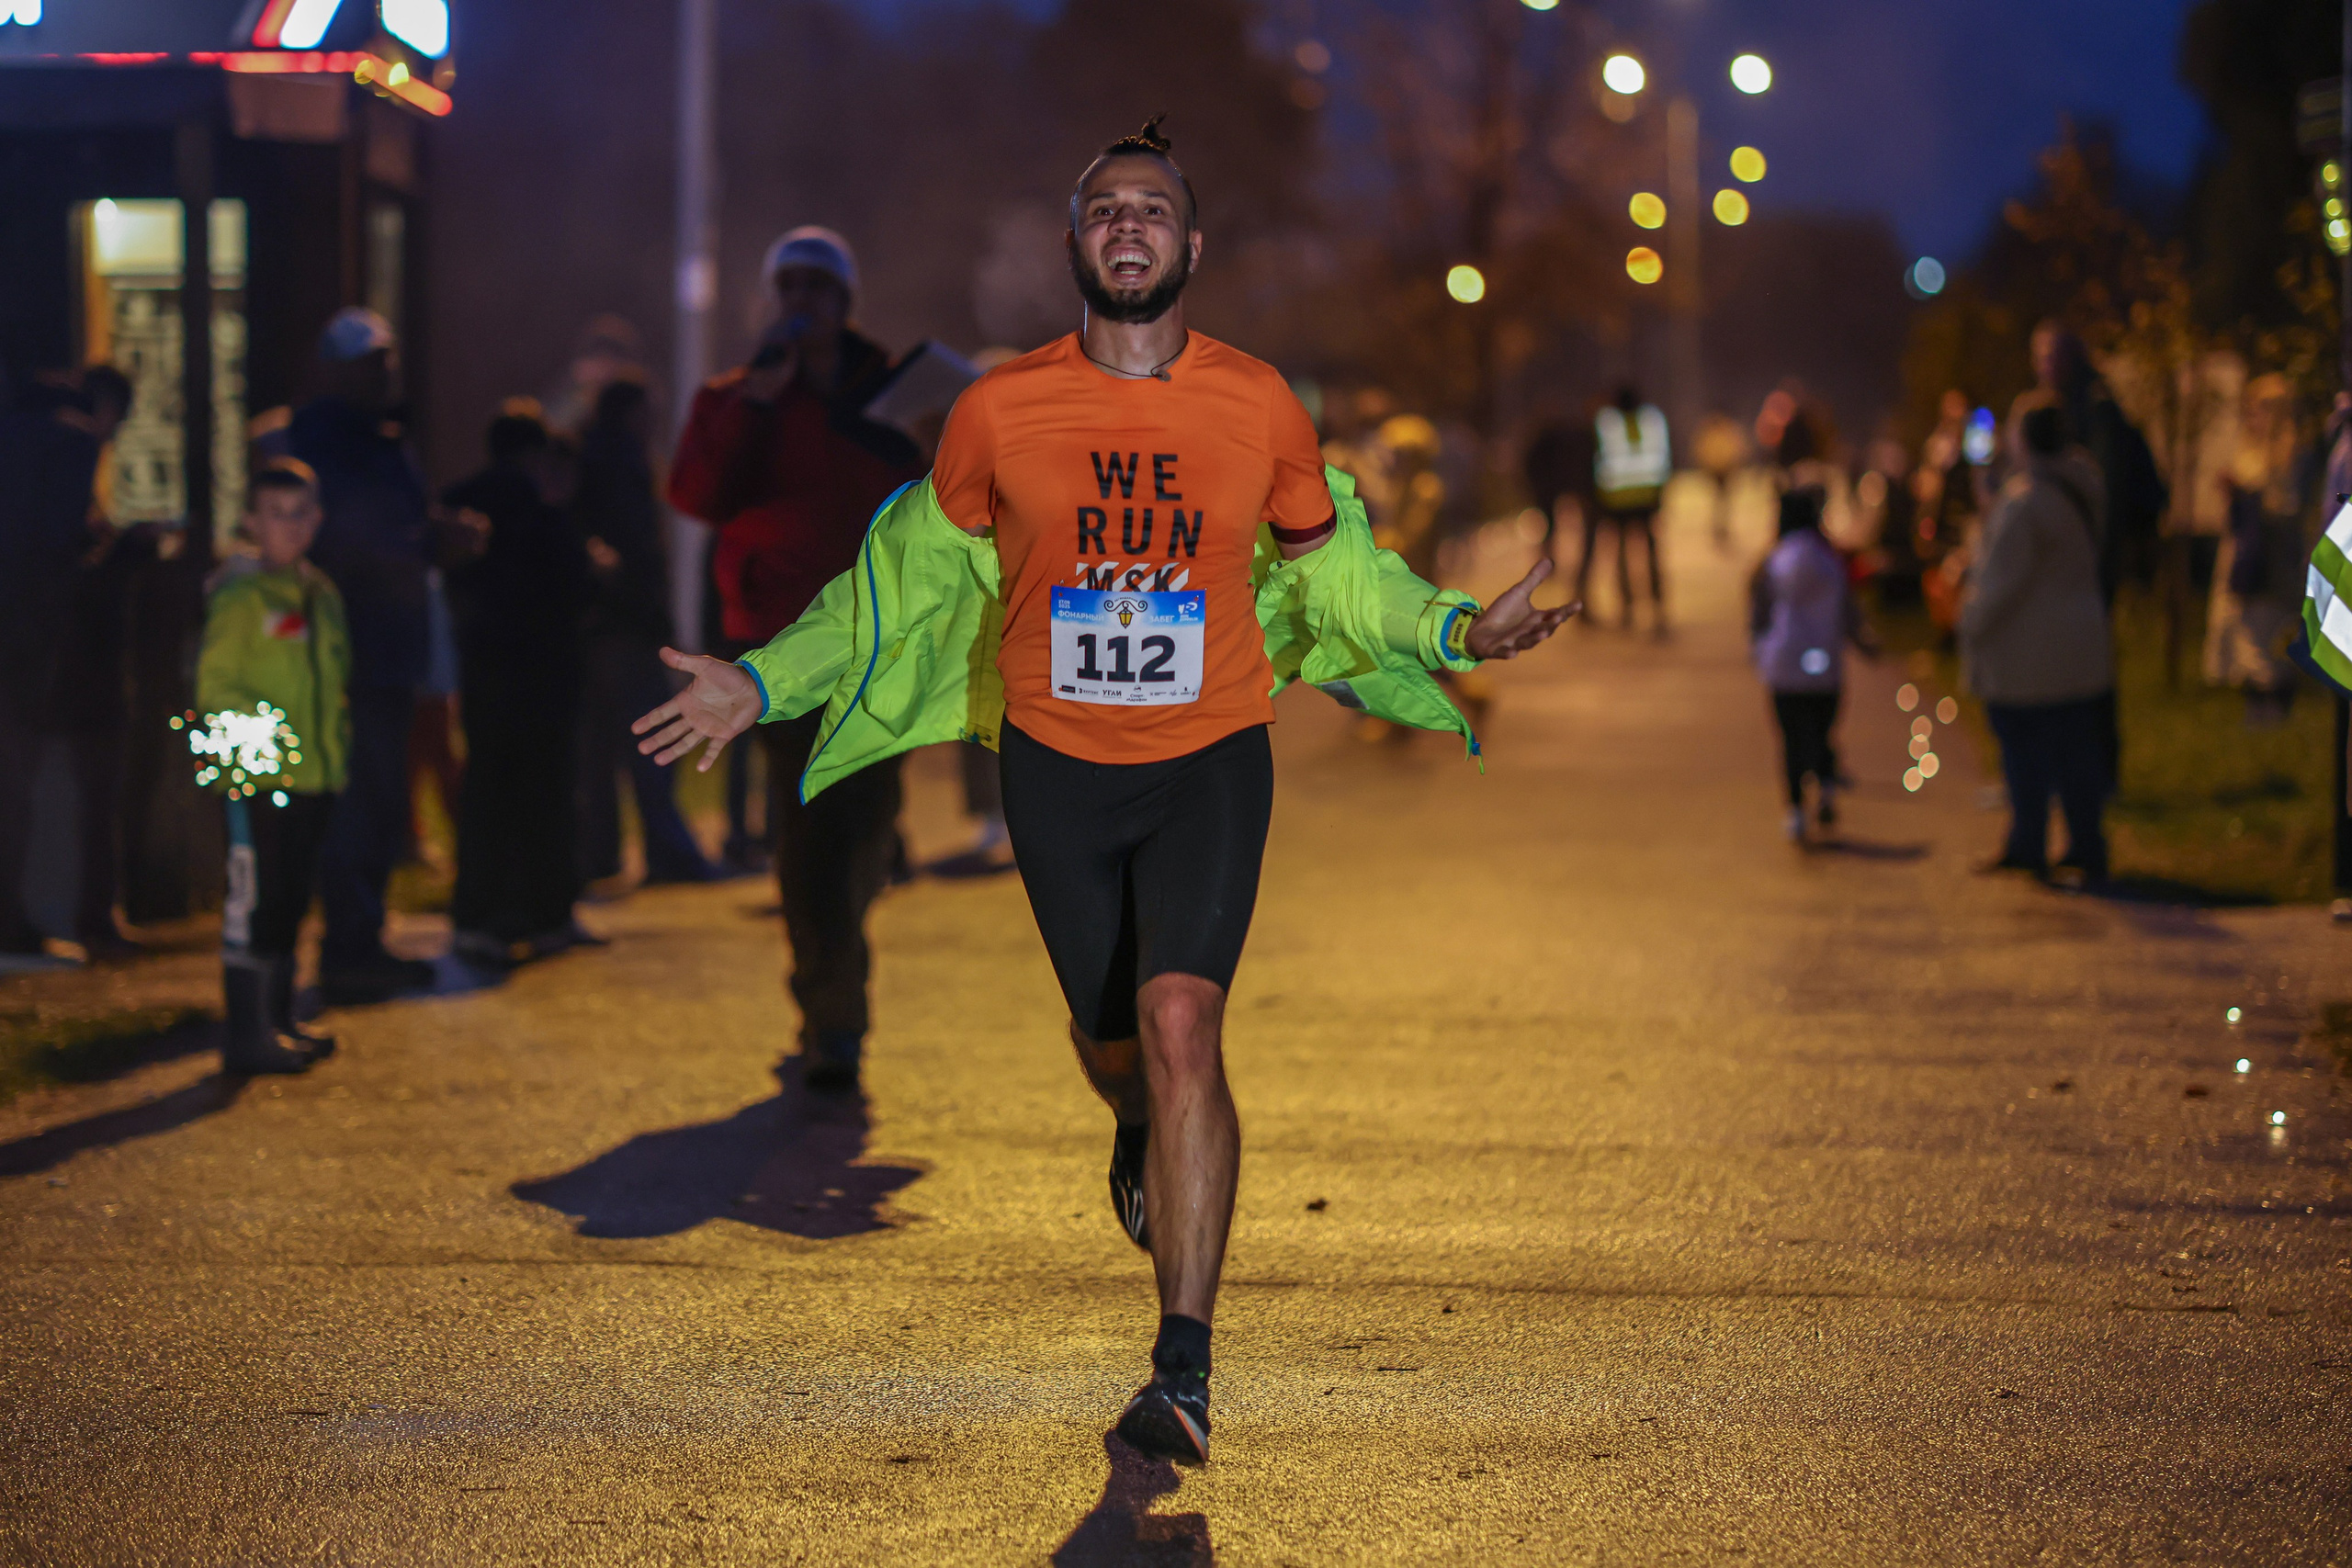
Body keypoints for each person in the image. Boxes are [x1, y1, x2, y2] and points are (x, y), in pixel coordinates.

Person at [632, 118, 1570, 1464]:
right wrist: (761, 681)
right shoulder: (999, 411)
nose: (1129, 222)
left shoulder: (1258, 402)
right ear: (1080, 244)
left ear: (1191, 246)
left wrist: (1453, 632)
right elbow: (898, 583)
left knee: (1185, 1019)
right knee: (1112, 1041)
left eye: (1154, 206)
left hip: (1209, 763)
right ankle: (1134, 1122)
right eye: (1105, 206)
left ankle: (1182, 1365)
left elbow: (1336, 571)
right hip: (1059, 772)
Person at [667, 226, 923, 1089]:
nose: (802, 303)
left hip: (878, 644)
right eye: (790, 288)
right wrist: (758, 404)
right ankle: (832, 1018)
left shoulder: (886, 393)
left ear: (845, 302)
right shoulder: (738, 397)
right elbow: (697, 494)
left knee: (865, 826)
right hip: (776, 649)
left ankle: (839, 955)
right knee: (812, 835)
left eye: (819, 288)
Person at [277, 309, 441, 1005]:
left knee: (376, 797)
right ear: (337, 372)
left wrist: (430, 538)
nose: (383, 373)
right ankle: (348, 944)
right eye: (369, 363)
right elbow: (346, 537)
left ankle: (361, 937)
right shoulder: (326, 443)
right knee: (355, 798)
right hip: (353, 649)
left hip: (386, 646)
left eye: (385, 359)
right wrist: (418, 545)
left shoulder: (383, 437)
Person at [192, 458, 349, 1073]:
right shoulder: (239, 595)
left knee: (289, 900)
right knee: (253, 902)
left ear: (317, 518)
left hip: (315, 777)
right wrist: (266, 742)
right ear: (253, 521)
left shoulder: (322, 595)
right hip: (259, 781)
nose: (290, 526)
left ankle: (278, 1016)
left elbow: (334, 684)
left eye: (301, 512)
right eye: (276, 514)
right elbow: (216, 685)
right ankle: (247, 1031)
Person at [0, 365, 144, 961]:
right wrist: (120, 550)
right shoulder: (66, 444)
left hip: (29, 638)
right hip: (42, 642)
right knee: (36, 780)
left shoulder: (19, 438)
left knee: (19, 782)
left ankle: (25, 916)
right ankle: (63, 918)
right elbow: (59, 552)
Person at [442, 406, 595, 964]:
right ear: (534, 454)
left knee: (487, 792)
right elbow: (575, 587)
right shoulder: (542, 513)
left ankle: (482, 915)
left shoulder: (461, 503)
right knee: (546, 795)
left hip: (484, 669)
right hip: (544, 674)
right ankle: (548, 912)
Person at [574, 377, 722, 886]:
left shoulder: (591, 461)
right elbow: (637, 556)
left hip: (601, 629)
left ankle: (600, 854)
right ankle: (667, 850)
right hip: (629, 628)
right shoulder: (623, 466)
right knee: (654, 738)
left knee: (602, 750)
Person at [1962, 396, 2112, 886]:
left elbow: (2001, 581)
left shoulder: (2025, 501)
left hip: (2030, 651)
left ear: (2021, 439)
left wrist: (1970, 622)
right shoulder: (2084, 487)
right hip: (2081, 640)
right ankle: (2086, 847)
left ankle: (2029, 844)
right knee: (2074, 751)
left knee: (2023, 751)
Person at [1750, 488, 1872, 841]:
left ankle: (1795, 810)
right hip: (1826, 666)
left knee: (1790, 740)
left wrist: (1758, 648)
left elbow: (1759, 613)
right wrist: (1866, 644)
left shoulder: (1772, 562)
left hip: (1784, 666)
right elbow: (1849, 613)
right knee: (1822, 732)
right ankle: (1827, 786)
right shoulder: (1831, 561)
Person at [1589, 384, 1669, 633]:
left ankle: (1626, 608)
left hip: (1616, 501)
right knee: (1651, 555)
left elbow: (1597, 462)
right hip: (1647, 498)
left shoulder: (1606, 422)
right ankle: (1658, 608)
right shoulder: (1652, 419)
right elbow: (1664, 456)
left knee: (1622, 555)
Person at [1521, 412, 1597, 570]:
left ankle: (1548, 564)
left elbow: (1530, 464)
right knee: (1580, 528)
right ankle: (1577, 569)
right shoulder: (1582, 437)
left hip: (1552, 486)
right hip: (1574, 485)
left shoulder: (1543, 440)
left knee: (1550, 526)